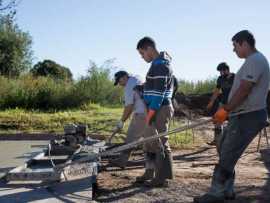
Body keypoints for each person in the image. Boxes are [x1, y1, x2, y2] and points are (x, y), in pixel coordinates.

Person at [194, 30, 270, 203]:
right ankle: (227, 190)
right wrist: (228, 111)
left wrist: (225, 109)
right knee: (224, 148)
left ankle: (216, 194)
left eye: (235, 45)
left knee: (227, 153)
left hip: (248, 115)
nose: (234, 50)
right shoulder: (251, 61)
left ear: (244, 43)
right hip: (240, 115)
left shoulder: (255, 60)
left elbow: (245, 89)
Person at [136, 36, 175, 187]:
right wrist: (143, 89)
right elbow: (154, 87)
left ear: (149, 49)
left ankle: (162, 178)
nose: (142, 57)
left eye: (142, 53)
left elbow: (159, 93)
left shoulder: (161, 66)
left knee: (160, 141)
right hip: (154, 108)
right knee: (149, 142)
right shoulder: (156, 64)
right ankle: (150, 171)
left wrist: (151, 114)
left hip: (159, 109)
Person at [109, 71, 146, 168]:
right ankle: (153, 163)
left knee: (130, 138)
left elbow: (129, 106)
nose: (120, 84)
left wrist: (121, 122)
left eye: (119, 80)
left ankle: (122, 161)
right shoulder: (137, 78)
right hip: (149, 112)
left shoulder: (129, 85)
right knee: (149, 139)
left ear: (125, 77)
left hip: (141, 114)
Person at [206, 63, 235, 148]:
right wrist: (211, 102)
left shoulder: (235, 77)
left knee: (233, 123)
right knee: (217, 121)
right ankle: (217, 140)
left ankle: (232, 141)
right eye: (219, 72)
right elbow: (217, 91)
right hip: (223, 103)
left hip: (234, 103)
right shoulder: (220, 79)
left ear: (227, 70)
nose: (220, 73)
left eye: (221, 71)